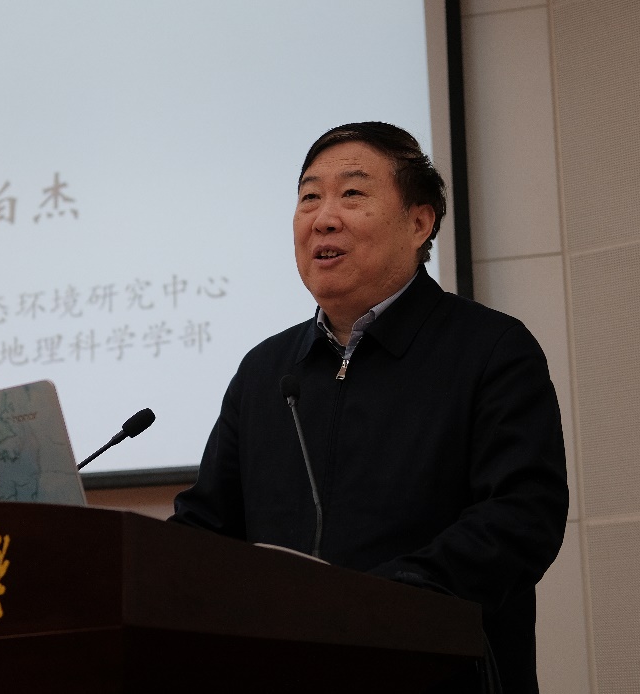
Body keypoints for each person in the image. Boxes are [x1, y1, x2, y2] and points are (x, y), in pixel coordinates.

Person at [170, 122, 569, 693]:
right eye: (309, 197)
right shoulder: (266, 371)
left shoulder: (491, 350)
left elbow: (522, 517)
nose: (323, 218)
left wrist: (381, 601)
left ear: (419, 223)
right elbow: (206, 531)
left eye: (352, 193)